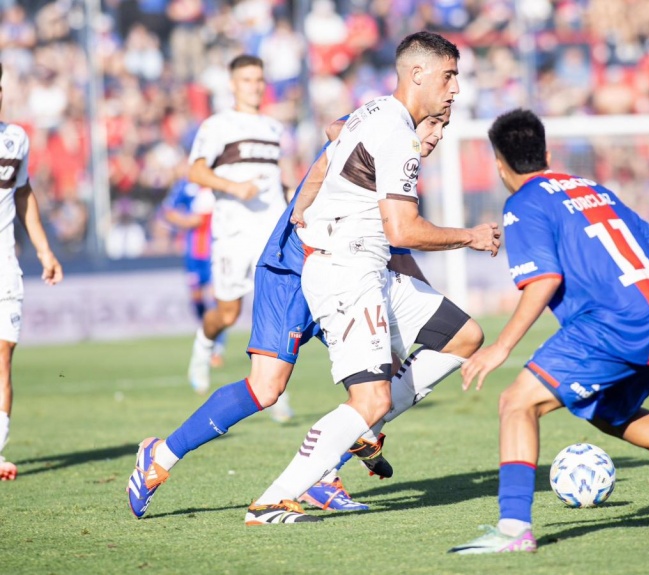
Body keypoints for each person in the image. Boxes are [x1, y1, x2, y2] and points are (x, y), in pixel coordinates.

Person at [127, 109, 453, 518]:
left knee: (380, 378)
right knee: (267, 389)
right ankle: (161, 455)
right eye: (435, 123)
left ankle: (325, 475)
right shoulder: (384, 123)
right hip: (294, 267)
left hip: (346, 274)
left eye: (444, 126)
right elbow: (336, 127)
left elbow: (394, 242)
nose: (439, 135)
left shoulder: (402, 161)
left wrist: (420, 299)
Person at [448, 109, 649, 555]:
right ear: (546, 153)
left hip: (616, 322)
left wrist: (499, 348)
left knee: (516, 402)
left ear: (499, 164)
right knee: (607, 410)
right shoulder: (591, 188)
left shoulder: (524, 203)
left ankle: (513, 530)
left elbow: (544, 281)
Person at [243, 31, 500, 525]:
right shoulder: (397, 134)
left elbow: (332, 131)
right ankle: (273, 499)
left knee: (465, 335)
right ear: (417, 74)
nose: (455, 90)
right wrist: (468, 236)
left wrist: (305, 201)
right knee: (371, 397)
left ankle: (363, 429)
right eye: (449, 77)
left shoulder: (375, 111)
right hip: (345, 272)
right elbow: (402, 228)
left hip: (369, 267)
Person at [184, 54, 290, 401]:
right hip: (233, 235)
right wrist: (235, 188)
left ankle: (275, 387)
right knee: (228, 313)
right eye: (247, 79)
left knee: (277, 308)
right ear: (232, 84)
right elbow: (196, 172)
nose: (254, 86)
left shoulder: (274, 128)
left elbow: (280, 179)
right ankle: (203, 346)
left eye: (259, 79)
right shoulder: (218, 126)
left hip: (270, 233)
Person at [0, 62, 64, 481]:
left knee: (3, 356)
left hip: (5, 266)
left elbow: (23, 194)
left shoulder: (15, 138)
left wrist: (44, 250)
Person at [160, 172, 229, 370]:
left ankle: (217, 348)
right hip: (194, 254)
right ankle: (207, 335)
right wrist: (187, 221)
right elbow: (168, 210)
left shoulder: (220, 182)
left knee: (218, 300)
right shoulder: (187, 184)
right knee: (197, 301)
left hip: (216, 251)